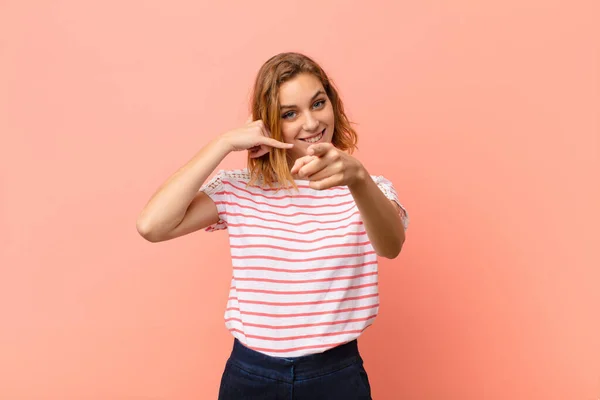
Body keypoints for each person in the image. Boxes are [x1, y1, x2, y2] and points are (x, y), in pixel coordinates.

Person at [136, 52, 409, 400]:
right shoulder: (239, 188)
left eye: (318, 103)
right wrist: (224, 143)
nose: (311, 124)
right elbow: (151, 225)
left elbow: (391, 246)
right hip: (251, 376)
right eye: (289, 114)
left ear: (333, 105)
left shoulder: (370, 186)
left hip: (335, 376)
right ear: (268, 124)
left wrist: (356, 177)